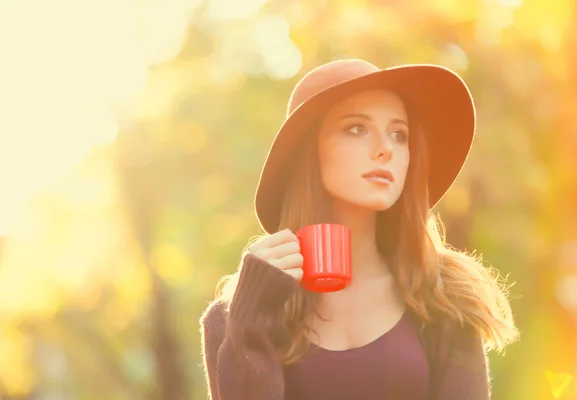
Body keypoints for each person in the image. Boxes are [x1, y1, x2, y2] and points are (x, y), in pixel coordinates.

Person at [199, 59, 519, 399]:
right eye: (356, 128)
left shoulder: (446, 297)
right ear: (309, 150)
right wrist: (251, 324)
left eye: (399, 134)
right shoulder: (235, 317)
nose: (385, 148)